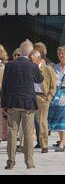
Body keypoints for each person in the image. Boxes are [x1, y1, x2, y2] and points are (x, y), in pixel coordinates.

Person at [2, 41, 39, 170]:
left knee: (12, 132)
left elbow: (5, 86)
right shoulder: (33, 65)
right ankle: (29, 162)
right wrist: (36, 64)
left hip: (13, 103)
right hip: (28, 104)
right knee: (28, 133)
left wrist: (3, 104)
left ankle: (10, 162)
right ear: (30, 53)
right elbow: (40, 79)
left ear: (20, 51)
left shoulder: (9, 65)